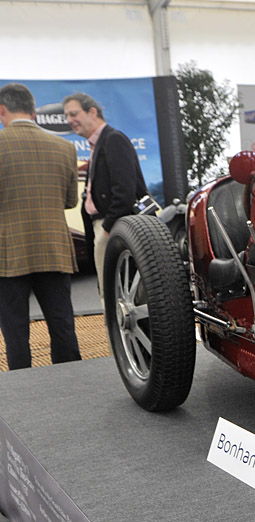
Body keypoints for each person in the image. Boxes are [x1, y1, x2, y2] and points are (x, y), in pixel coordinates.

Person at [0, 83, 81, 370]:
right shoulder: (65, 146)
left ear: (2, 110)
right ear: (34, 112)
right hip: (54, 249)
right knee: (63, 326)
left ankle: (24, 392)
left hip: (8, 254)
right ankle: (71, 382)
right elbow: (70, 201)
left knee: (15, 332)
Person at [63, 92, 147, 298]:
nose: (69, 121)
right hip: (105, 227)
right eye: (66, 116)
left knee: (114, 297)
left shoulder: (113, 140)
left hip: (113, 227)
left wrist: (108, 228)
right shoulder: (99, 143)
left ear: (92, 112)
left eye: (74, 114)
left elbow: (125, 190)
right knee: (111, 294)